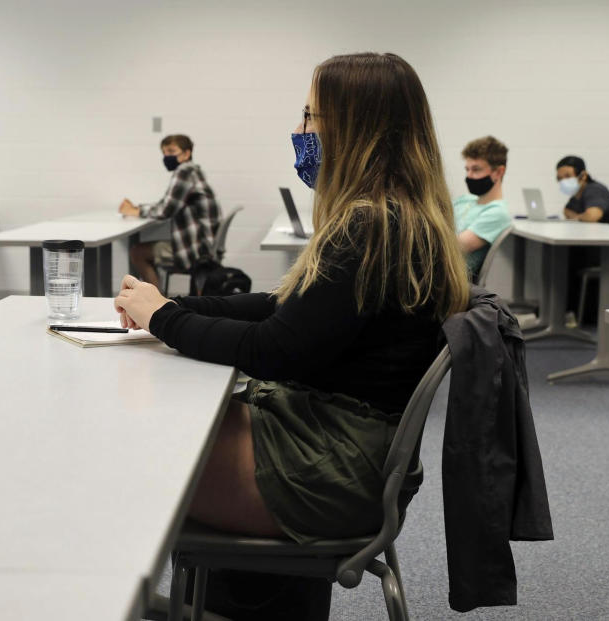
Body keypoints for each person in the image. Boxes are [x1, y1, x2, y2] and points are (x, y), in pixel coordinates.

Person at [115, 52, 471, 617]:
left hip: (330, 467)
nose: (301, 131)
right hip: (342, 446)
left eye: (312, 116)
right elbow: (283, 307)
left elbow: (273, 350)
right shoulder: (396, 216)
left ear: (356, 127)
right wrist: (173, 305)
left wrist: (164, 319)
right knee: (163, 425)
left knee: (134, 447)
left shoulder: (369, 227)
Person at [117, 134, 221, 288]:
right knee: (140, 250)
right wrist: (137, 208)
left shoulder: (184, 172)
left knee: (137, 252)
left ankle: (154, 302)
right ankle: (155, 298)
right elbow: (167, 203)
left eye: (171, 151)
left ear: (186, 153)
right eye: (164, 152)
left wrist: (136, 211)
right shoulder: (193, 171)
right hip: (203, 245)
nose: (167, 156)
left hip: (195, 251)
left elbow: (166, 210)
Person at [556, 155, 609, 324]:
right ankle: (568, 311)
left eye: (567, 176)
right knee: (564, 254)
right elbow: (566, 211)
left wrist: (578, 216)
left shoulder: (594, 190)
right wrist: (580, 216)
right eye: (559, 178)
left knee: (568, 257)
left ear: (583, 175)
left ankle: (572, 312)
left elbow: (593, 215)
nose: (563, 181)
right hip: (601, 248)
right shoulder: (577, 195)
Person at [452, 135, 512, 280]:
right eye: (467, 170)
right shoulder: (465, 200)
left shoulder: (497, 212)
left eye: (476, 170)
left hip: (449, 281)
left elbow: (454, 248)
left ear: (498, 172)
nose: (469, 176)